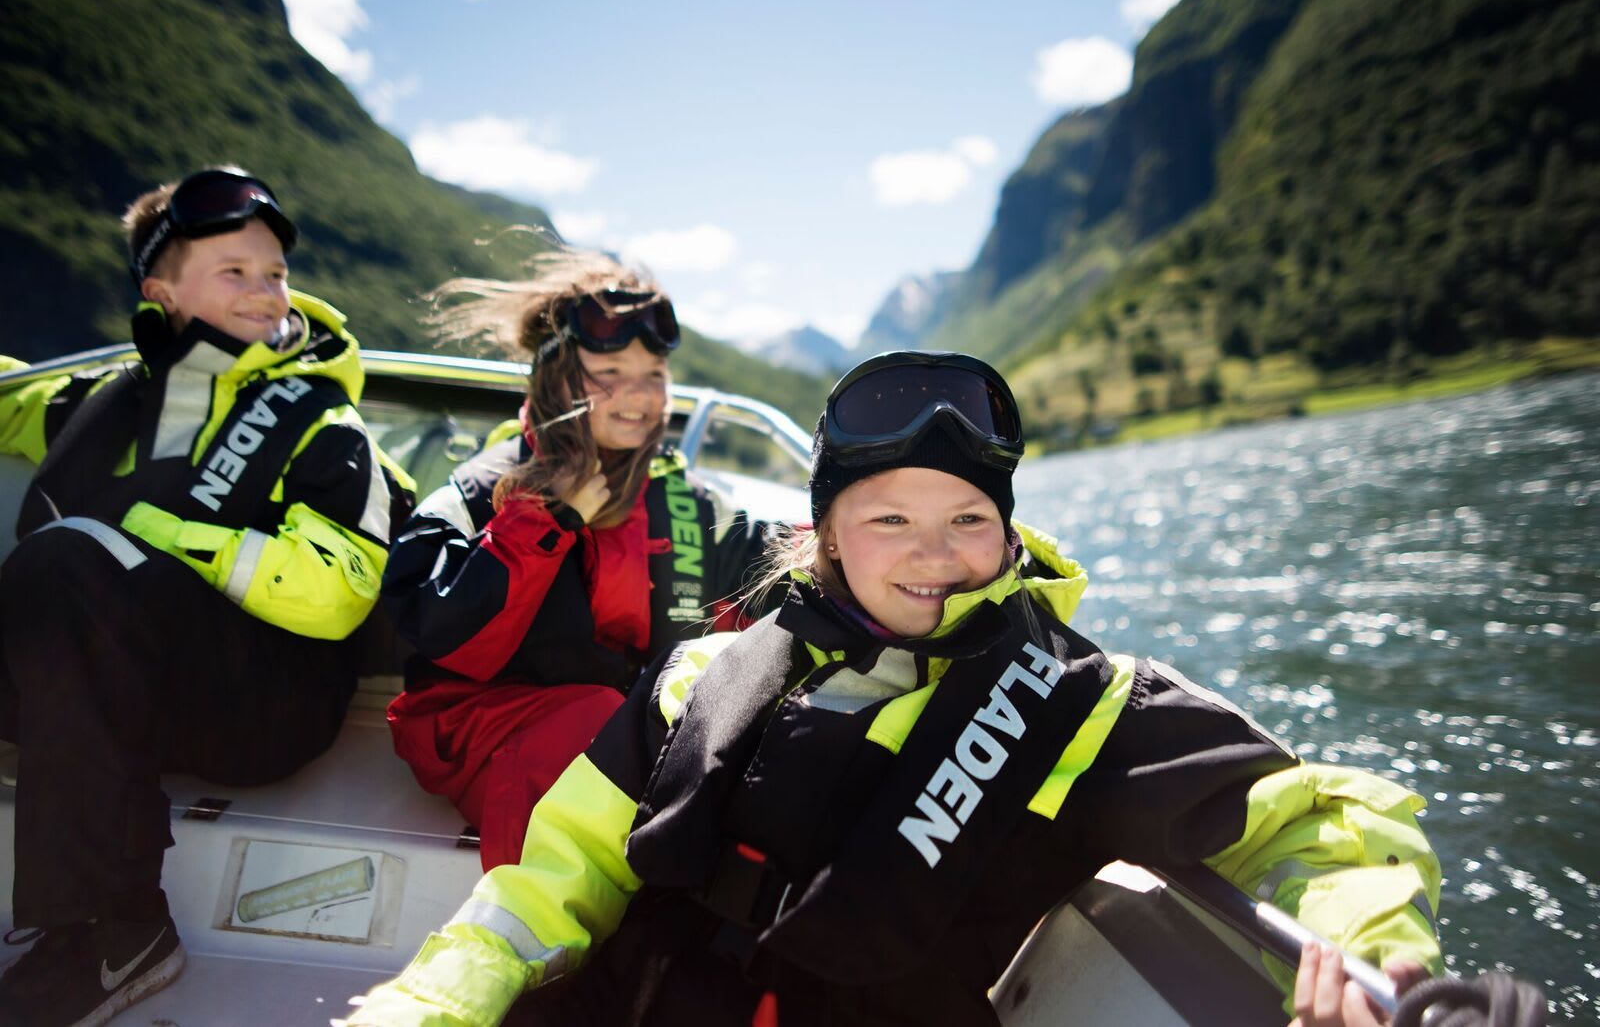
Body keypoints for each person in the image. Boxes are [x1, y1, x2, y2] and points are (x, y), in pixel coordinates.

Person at [351, 350, 1443, 1026]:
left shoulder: (1088, 706)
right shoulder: (709, 673)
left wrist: (1379, 956)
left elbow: (1327, 818)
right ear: (823, 534)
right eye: (890, 521)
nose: (937, 555)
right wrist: (434, 999)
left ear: (1007, 531)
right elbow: (557, 878)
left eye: (968, 519)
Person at [0, 167, 411, 1027]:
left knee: (63, 562)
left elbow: (337, 591)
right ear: (163, 292)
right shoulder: (107, 402)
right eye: (235, 273)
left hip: (264, 703)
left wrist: (171, 536)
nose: (266, 294)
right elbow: (13, 397)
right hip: (125, 689)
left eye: (276, 274)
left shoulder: (324, 426)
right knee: (59, 567)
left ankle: (117, 929)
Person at [381, 251, 776, 871]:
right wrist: (548, 519)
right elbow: (445, 634)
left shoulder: (676, 497)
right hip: (479, 723)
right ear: (555, 376)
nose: (638, 395)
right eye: (609, 370)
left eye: (653, 373)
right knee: (601, 729)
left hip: (619, 722)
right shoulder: (483, 491)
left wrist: (871, 535)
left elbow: (770, 555)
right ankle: (546, 940)